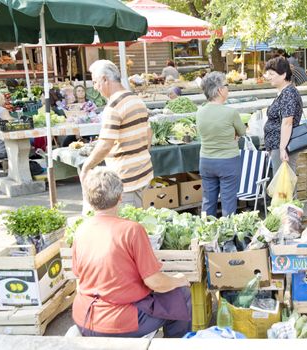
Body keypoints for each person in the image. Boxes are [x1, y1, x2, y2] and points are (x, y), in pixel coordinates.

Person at [72, 167, 191, 337]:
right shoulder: (131, 230)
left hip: (83, 317)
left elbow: (79, 278)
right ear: (121, 198)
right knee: (182, 296)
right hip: (119, 322)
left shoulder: (81, 230)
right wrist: (179, 280)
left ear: (89, 200)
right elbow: (155, 282)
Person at [80, 60, 153, 208]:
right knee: (140, 220)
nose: (95, 87)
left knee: (128, 224)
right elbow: (149, 133)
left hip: (126, 180)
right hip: (144, 173)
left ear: (105, 79)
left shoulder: (113, 107)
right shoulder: (136, 99)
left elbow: (105, 145)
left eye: (95, 82)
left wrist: (86, 167)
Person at [196, 72, 246, 217]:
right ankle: (228, 238)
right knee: (228, 201)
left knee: (208, 200)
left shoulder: (200, 112)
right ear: (219, 90)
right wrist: (233, 135)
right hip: (228, 162)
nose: (228, 88)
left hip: (206, 161)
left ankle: (206, 233)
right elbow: (242, 131)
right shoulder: (231, 113)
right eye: (226, 85)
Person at [264, 56, 303, 174]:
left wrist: (282, 148)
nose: (268, 77)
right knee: (282, 183)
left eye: (271, 74)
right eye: (267, 73)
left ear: (283, 75)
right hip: (277, 144)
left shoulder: (288, 93)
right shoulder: (284, 92)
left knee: (284, 185)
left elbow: (287, 122)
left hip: (283, 145)